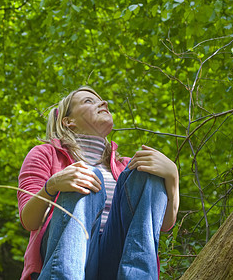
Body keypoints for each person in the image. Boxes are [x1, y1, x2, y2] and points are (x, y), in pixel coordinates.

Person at [17, 86, 179, 280]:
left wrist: (173, 177)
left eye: (102, 100)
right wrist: (52, 186)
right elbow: (29, 220)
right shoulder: (44, 154)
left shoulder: (127, 167)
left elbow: (162, 224)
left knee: (146, 170)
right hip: (66, 259)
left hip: (116, 259)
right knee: (84, 176)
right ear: (68, 121)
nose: (104, 103)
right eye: (88, 101)